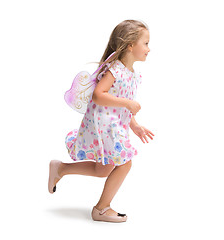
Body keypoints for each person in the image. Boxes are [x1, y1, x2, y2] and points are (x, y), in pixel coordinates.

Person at [48, 20, 154, 223]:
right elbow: (98, 95)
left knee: (102, 169)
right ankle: (102, 209)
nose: (149, 48)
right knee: (125, 163)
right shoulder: (115, 69)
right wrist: (128, 103)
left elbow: (121, 106)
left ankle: (60, 168)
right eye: (146, 43)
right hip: (105, 125)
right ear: (131, 45)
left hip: (115, 125)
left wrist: (135, 125)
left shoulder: (132, 74)